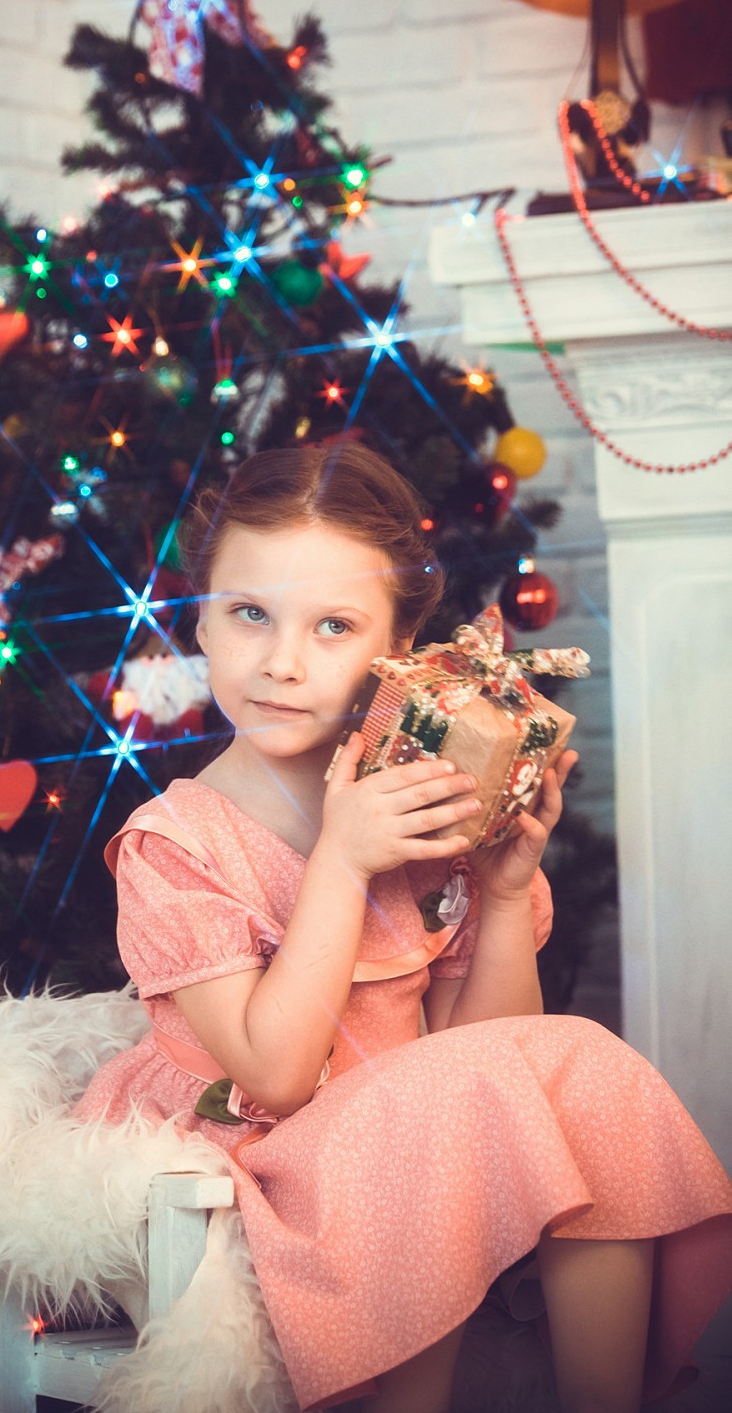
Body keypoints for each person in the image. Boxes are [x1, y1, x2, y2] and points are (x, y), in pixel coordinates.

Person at [74, 443, 732, 1413]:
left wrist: (501, 893)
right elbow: (274, 1074)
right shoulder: (173, 844)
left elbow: (492, 1056)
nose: (281, 661)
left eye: (333, 626)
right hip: (256, 1165)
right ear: (200, 618)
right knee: (426, 1108)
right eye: (248, 613)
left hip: (418, 1144)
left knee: (584, 1058)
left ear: (397, 651)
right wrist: (340, 863)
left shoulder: (420, 817)